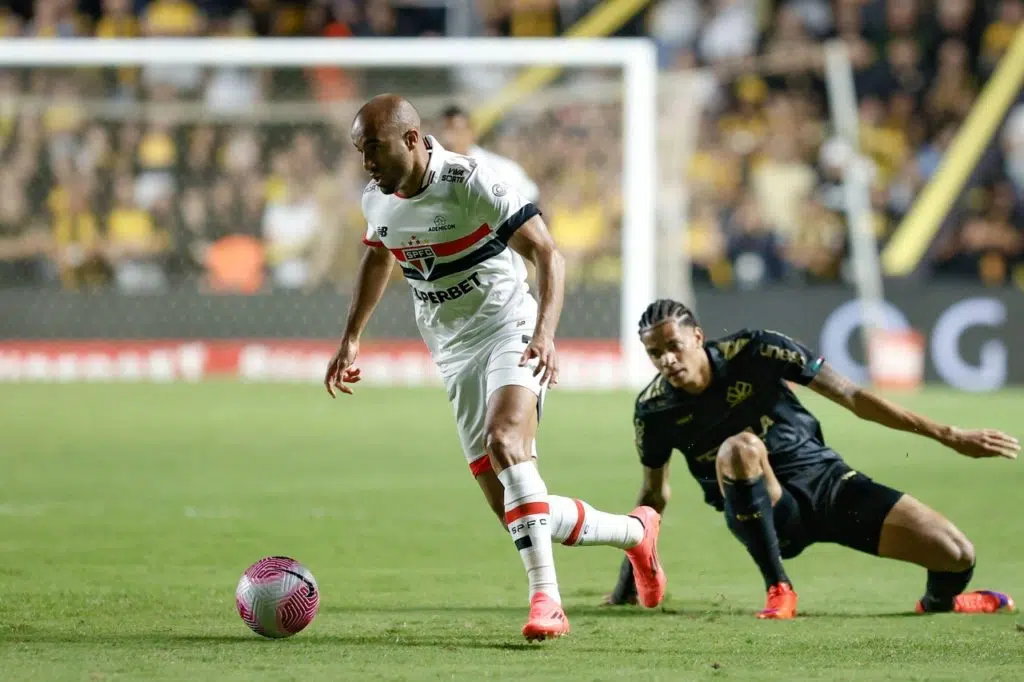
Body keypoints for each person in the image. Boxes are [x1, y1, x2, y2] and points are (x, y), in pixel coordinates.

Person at [323, 94, 665, 641]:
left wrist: (544, 333)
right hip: (453, 351)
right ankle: (634, 532)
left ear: (411, 140)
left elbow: (549, 254)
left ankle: (547, 603)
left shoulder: (471, 183)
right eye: (360, 150)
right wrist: (352, 337)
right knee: (514, 508)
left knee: (507, 442)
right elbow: (379, 254)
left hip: (510, 328)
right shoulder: (378, 198)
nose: (366, 161)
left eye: (374, 148)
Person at [603, 299, 1018, 619]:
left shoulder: (758, 349)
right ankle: (779, 588)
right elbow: (654, 495)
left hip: (826, 480)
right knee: (740, 447)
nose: (667, 361)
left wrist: (949, 435)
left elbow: (854, 397)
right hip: (770, 511)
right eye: (655, 354)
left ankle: (939, 603)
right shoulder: (654, 410)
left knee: (957, 553)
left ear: (697, 336)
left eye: (673, 346)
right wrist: (630, 577)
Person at [439, 104, 540, 203]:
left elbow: (530, 199)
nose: (447, 138)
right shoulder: (434, 172)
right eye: (443, 131)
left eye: (456, 131)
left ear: (471, 133)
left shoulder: (498, 169)